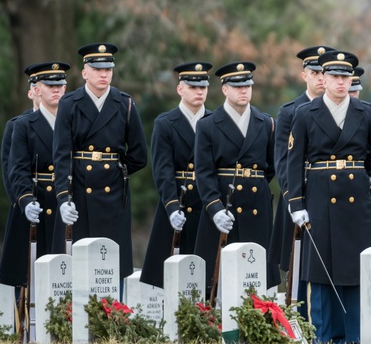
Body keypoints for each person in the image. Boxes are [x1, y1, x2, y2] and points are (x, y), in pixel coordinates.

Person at [287, 50, 371, 344]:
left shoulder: (366, 111)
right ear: (323, 78)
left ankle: (353, 337)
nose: (340, 83)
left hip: (355, 202)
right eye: (334, 76)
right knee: (321, 278)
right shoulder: (305, 113)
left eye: (345, 77)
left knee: (355, 274)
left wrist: (357, 169)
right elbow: (293, 161)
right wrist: (296, 203)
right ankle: (324, 338)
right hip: (319, 201)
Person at [52, 43, 148, 279]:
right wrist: (63, 198)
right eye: (97, 69)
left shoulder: (124, 103)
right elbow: (61, 155)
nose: (104, 74)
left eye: (108, 70)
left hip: (112, 193)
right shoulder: (69, 104)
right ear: (85, 72)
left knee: (111, 264)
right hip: (78, 192)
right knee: (77, 264)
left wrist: (116, 170)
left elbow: (139, 154)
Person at [194, 61, 280, 294]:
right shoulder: (208, 125)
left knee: (257, 275)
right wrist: (215, 208)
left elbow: (271, 167)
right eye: (237, 86)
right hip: (225, 204)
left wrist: (254, 182)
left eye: (248, 86)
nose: (244, 91)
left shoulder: (267, 123)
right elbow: (204, 172)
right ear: (224, 89)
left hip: (256, 206)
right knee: (218, 279)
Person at [270, 45, 331, 314]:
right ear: (304, 75)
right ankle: (300, 322)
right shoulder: (290, 111)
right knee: (298, 270)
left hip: (329, 198)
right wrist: (293, 199)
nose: (320, 77)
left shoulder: (338, 108)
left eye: (324, 72)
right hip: (298, 198)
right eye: (314, 72)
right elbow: (282, 161)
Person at [0, 62, 70, 292]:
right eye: (50, 85)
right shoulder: (23, 126)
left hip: (64, 205)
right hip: (36, 203)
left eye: (60, 84)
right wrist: (25, 201)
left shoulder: (74, 123)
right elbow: (16, 170)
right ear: (37, 89)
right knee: (29, 283)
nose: (56, 89)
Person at [140, 62, 213, 288]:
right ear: (180, 89)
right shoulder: (166, 123)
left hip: (206, 204)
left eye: (203, 87)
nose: (199, 91)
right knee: (172, 278)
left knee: (208, 276)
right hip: (177, 202)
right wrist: (171, 206)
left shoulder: (215, 121)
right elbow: (162, 170)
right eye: (193, 87)